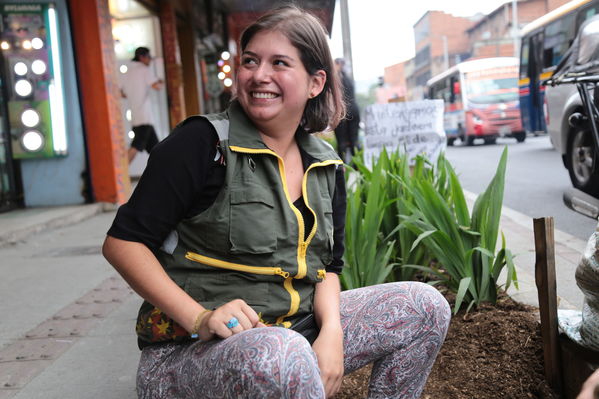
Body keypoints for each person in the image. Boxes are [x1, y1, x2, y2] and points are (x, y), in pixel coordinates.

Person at [102, 6, 450, 399]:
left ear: (315, 82)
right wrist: (200, 317)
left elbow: (328, 270)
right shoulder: (202, 145)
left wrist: (332, 334)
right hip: (189, 353)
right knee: (281, 355)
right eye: (250, 61)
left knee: (423, 307)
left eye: (279, 63)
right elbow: (123, 243)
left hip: (293, 331)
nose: (258, 75)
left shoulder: (326, 165)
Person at [121, 46, 164, 163]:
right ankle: (120, 171)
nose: (150, 60)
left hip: (136, 117)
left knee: (157, 150)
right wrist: (161, 81)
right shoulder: (144, 70)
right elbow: (157, 86)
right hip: (144, 117)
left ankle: (162, 174)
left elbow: (122, 93)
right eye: (149, 57)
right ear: (142, 57)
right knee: (136, 147)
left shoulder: (128, 72)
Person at [334, 58, 360, 163]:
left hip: (342, 111)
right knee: (354, 141)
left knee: (342, 143)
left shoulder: (336, 78)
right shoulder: (349, 79)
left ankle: (342, 169)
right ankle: (358, 169)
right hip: (354, 109)